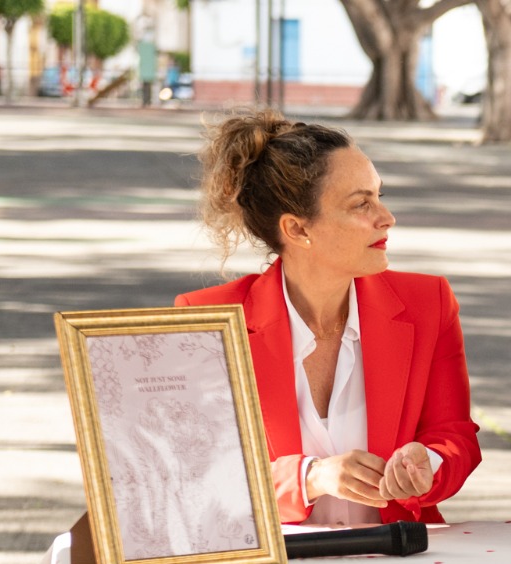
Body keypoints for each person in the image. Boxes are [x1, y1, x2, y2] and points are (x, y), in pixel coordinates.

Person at [178, 109, 481, 527]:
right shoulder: (206, 320)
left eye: (379, 194)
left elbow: (455, 437)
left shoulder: (429, 303)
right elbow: (194, 477)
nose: (386, 217)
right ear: (298, 230)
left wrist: (427, 461)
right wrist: (310, 477)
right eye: (361, 203)